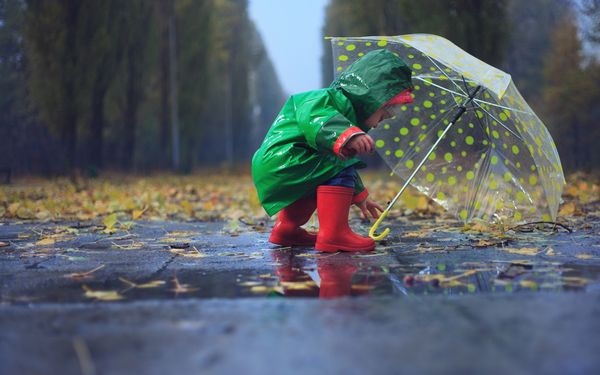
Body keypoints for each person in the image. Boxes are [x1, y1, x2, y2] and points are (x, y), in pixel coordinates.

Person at [252, 49, 413, 252]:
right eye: (383, 114)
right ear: (373, 98)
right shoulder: (329, 100)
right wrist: (348, 134)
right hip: (286, 159)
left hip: (287, 163)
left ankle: (286, 229)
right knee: (337, 160)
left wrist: (361, 196)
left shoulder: (344, 109)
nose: (380, 123)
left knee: (322, 172)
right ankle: (334, 234)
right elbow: (316, 117)